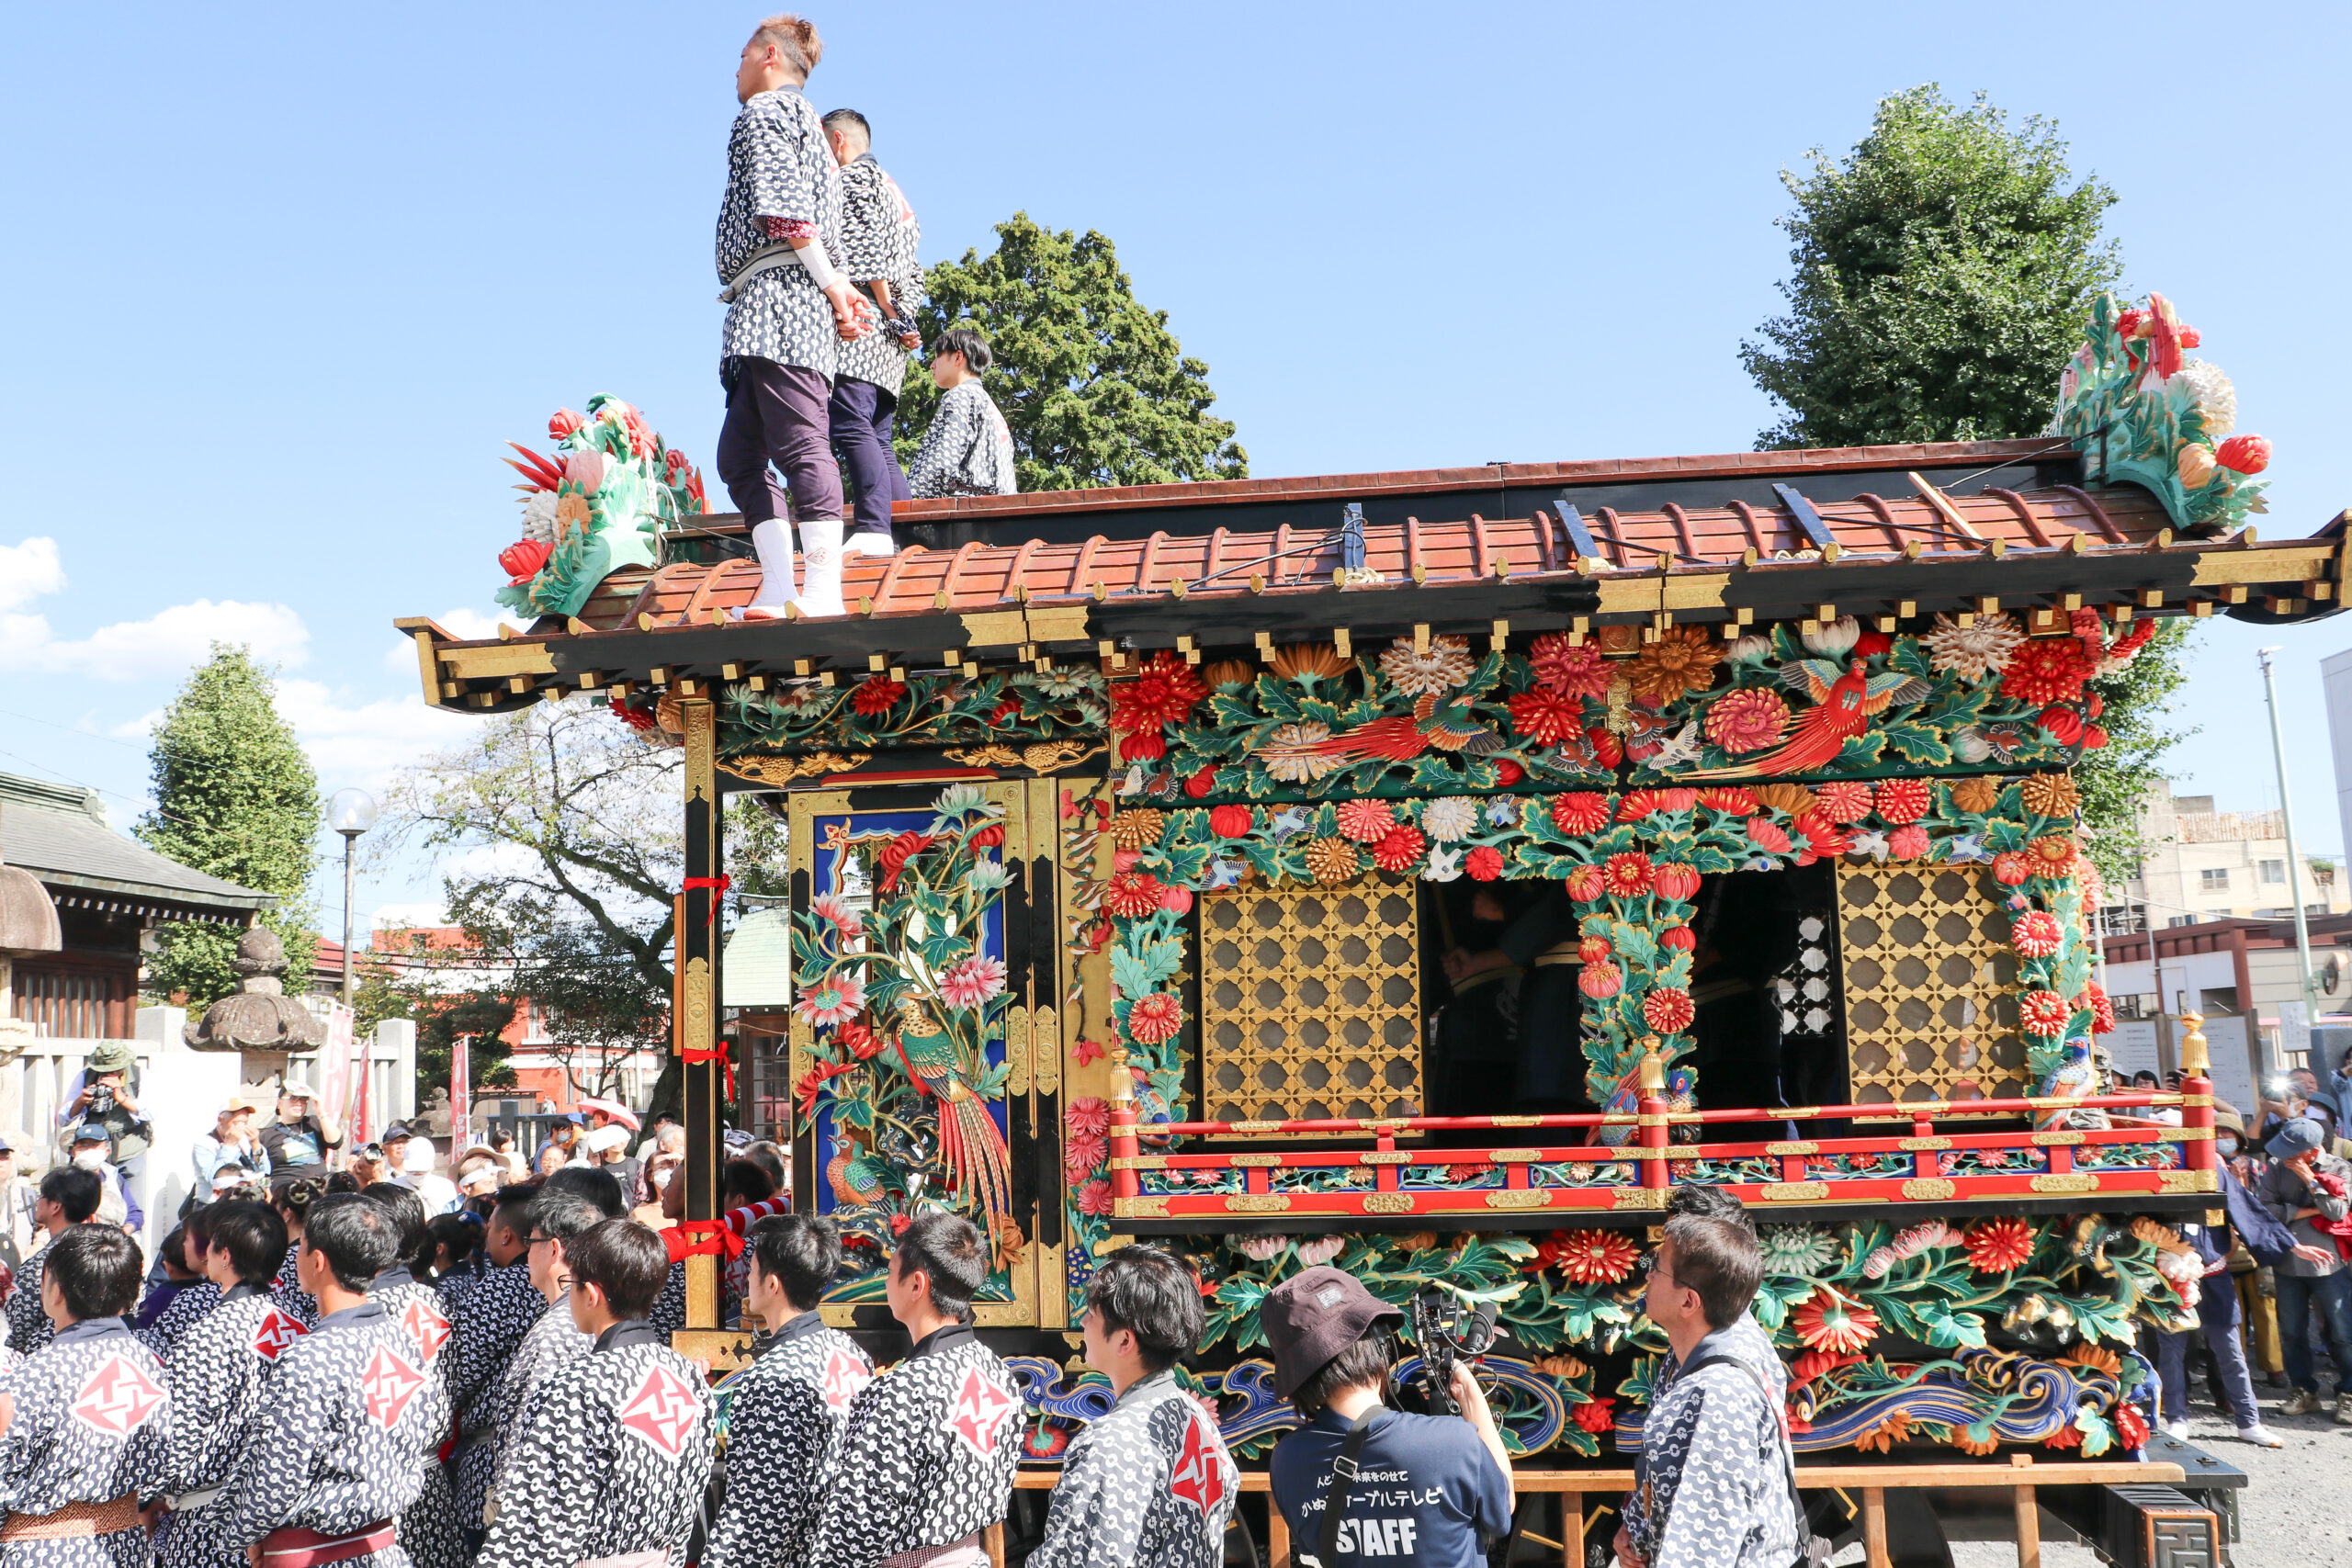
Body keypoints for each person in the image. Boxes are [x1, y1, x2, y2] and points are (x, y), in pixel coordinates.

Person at [714, 12, 867, 621]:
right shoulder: (806, 125)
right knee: (740, 455)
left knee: (801, 442)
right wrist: (839, 290)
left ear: (769, 56)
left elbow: (785, 214)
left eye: (744, 54)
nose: (737, 67)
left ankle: (822, 590)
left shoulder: (769, 112)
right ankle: (779, 586)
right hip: (774, 299)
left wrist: (834, 291)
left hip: (784, 297)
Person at [222, 1194, 450, 1568]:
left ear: (317, 1260)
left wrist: (240, 1536)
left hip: (316, 1555)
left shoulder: (310, 1355)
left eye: (302, 1247)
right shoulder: (401, 1342)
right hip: (384, 1549)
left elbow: (275, 1475)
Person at [476, 1220, 716, 1568]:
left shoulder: (575, 1387)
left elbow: (539, 1525)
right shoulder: (688, 1377)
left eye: (572, 1285)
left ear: (591, 1294)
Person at [807, 1213, 1023, 1568]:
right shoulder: (998, 1374)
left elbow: (855, 1525)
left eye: (891, 1272)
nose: (887, 1283)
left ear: (916, 1284)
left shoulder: (900, 1391)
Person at [1263, 1265, 1511, 1568]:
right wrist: (1469, 1392)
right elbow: (1502, 1511)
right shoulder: (1454, 1442)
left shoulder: (1288, 1459)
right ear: (1379, 1347)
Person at [1028, 1246, 1238, 1568]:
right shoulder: (1194, 1414)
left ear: (1124, 1341)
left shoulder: (1109, 1443)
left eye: (1091, 1314)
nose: (1082, 1322)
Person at [1619, 1215, 1804, 1568]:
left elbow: (1701, 1548)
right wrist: (1636, 1526)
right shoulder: (1699, 1352)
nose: (1647, 1275)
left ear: (1689, 1302)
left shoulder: (1717, 1395)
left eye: (1657, 1267)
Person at [705, 1214, 873, 1568]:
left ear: (772, 1284)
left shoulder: (772, 1378)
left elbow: (757, 1517)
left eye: (752, 1269)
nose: (748, 1278)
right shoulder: (851, 1353)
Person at [0, 1224, 172, 1562]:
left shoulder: (37, 1373)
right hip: (126, 1547)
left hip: (43, 1553)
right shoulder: (153, 1364)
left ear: (56, 1291)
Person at [156, 1201, 301, 1568]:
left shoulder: (208, 1333)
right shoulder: (299, 1322)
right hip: (282, 1513)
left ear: (224, 1256)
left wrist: (150, 1494)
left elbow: (180, 1437)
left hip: (210, 1522)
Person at [2154, 1141, 2324, 1449]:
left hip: (2215, 1271)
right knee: (2171, 1352)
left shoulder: (2214, 1169)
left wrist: (2291, 1244)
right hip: (2169, 1274)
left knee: (2231, 1351)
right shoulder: (2154, 1169)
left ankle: (2249, 1421)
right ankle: (2177, 1418)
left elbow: (2247, 1211)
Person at [474, 1188, 608, 1538]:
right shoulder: (585, 1315)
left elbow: (531, 1436)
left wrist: (507, 1518)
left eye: (531, 1241)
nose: (526, 1251)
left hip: (538, 1521)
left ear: (555, 1249)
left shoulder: (560, 1328)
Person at [820, 107, 921, 558]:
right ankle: (907, 526)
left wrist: (881, 302)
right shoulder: (894, 188)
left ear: (838, 142)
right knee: (879, 434)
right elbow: (911, 265)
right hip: (891, 333)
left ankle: (875, 526)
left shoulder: (853, 179)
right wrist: (902, 318)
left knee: (848, 420)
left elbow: (866, 250)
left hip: (864, 317)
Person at [444, 1182, 564, 1539]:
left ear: (508, 1235)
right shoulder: (577, 1291)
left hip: (490, 1460)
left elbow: (459, 1376)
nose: (488, 1236)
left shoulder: (496, 1288)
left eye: (491, 1229)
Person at [2256, 1116, 2352, 1420]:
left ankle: (2348, 1392)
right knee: (2292, 1331)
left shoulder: (2339, 1168)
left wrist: (2311, 1180)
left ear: (2311, 1152)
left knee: (2341, 1331)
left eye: (2290, 1152)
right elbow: (2266, 1210)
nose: (2283, 1157)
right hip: (2288, 1262)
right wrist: (2306, 1210)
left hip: (2329, 1263)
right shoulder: (2275, 1168)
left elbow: (2336, 1212)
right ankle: (2304, 1390)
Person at [907, 329, 1018, 499]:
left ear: (958, 357)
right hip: (998, 509)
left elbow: (941, 459)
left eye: (938, 356)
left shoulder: (961, 395)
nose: (932, 365)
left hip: (966, 507)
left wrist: (910, 500)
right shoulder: (990, 407)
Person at [5, 1165, 104, 1354]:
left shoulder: (43, 1265)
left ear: (56, 1206)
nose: (38, 1201)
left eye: (42, 1196)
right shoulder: (108, 1253)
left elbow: (18, 1332)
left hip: (48, 1363)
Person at [54, 1039, 153, 1224]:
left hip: (129, 1150)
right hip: (94, 1152)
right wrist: (81, 1101)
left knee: (131, 1208)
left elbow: (149, 1112)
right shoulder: (85, 1076)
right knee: (88, 1205)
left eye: (115, 1069)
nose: (109, 1073)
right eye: (104, 1069)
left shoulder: (140, 1076)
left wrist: (120, 1095)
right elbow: (62, 1117)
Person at [137, 1207, 222, 1359]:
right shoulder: (221, 1291)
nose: (185, 1245)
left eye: (188, 1240)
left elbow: (144, 1333)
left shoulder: (178, 1298)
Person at [260, 1078, 343, 1184]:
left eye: (303, 1099)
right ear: (279, 1103)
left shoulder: (314, 1123)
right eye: (293, 1098)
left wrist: (321, 1113)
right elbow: (260, 1170)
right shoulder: (267, 1136)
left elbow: (336, 1142)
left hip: (318, 1189)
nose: (299, 1103)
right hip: (287, 1192)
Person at [191, 1099, 270, 1203]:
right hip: (213, 1205)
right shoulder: (204, 1144)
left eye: (245, 1123)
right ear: (220, 1120)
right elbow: (213, 1179)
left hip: (244, 1203)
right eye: (236, 1123)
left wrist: (256, 1145)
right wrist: (229, 1146)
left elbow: (266, 1171)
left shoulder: (246, 1141)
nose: (241, 1128)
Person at [66, 1120, 138, 1233]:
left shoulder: (115, 1178)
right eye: (83, 1145)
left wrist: (123, 1232)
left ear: (107, 1152)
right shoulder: (63, 1179)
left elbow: (134, 1214)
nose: (89, 1150)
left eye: (95, 1145)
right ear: (74, 1151)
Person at [0, 1132, 38, 1273]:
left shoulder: (27, 1196)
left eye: (5, 1157)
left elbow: (46, 1228)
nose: (1, 1163)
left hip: (21, 1274)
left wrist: (34, 1250)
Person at [401, 1138, 461, 1218]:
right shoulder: (393, 1187)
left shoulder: (446, 1187)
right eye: (412, 1171)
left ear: (433, 1162)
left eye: (422, 1171)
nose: (417, 1173)